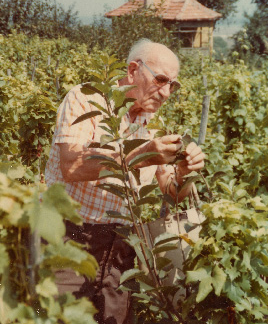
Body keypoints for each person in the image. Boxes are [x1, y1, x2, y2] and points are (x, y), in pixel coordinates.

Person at [45, 39, 205, 323]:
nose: (167, 93)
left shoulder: (151, 122)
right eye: (161, 80)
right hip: (70, 238)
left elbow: (173, 194)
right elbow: (73, 165)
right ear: (132, 71)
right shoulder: (85, 99)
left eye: (173, 85)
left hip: (121, 247)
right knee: (64, 317)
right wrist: (141, 155)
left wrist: (185, 172)